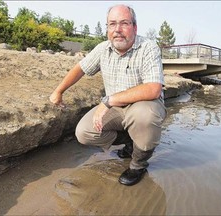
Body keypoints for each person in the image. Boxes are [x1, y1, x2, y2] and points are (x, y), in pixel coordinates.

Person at [50, 4, 167, 186]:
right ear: (107, 29)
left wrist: (109, 100)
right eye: (112, 24)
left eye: (124, 23)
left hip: (144, 105)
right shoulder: (103, 48)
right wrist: (58, 91)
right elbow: (80, 68)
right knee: (84, 132)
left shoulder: (148, 47)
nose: (117, 30)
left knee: (144, 117)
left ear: (135, 27)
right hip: (115, 108)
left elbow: (153, 89)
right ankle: (131, 141)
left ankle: (138, 165)